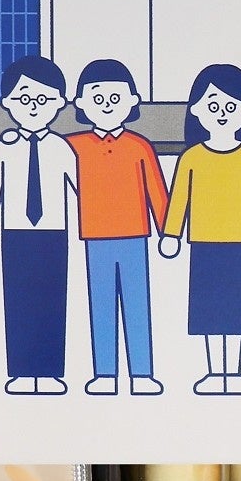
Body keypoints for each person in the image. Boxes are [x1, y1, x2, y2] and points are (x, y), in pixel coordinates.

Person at [159, 64, 241, 395]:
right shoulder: (191, 158)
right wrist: (171, 233)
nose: (221, 114)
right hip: (203, 243)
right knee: (209, 313)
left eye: (230, 106)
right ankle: (215, 371)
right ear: (196, 111)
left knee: (239, 312)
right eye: (213, 106)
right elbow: (179, 198)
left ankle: (236, 372)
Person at [66, 58, 169, 396]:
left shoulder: (139, 145)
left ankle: (142, 374)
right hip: (94, 236)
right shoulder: (72, 146)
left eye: (115, 98)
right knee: (102, 306)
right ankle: (105, 374)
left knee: (138, 306)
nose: (107, 105)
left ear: (132, 101)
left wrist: (168, 231)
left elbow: (157, 190)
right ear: (81, 103)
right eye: (98, 98)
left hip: (135, 235)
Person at [0, 54, 77, 394]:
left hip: (55, 234)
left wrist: (90, 228)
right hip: (15, 234)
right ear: (7, 102)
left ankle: (49, 373)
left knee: (52, 302)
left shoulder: (62, 148)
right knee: (19, 302)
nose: (33, 106)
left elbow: (81, 189)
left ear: (59, 103)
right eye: (24, 98)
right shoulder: (3, 149)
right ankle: (21, 372)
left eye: (43, 99)